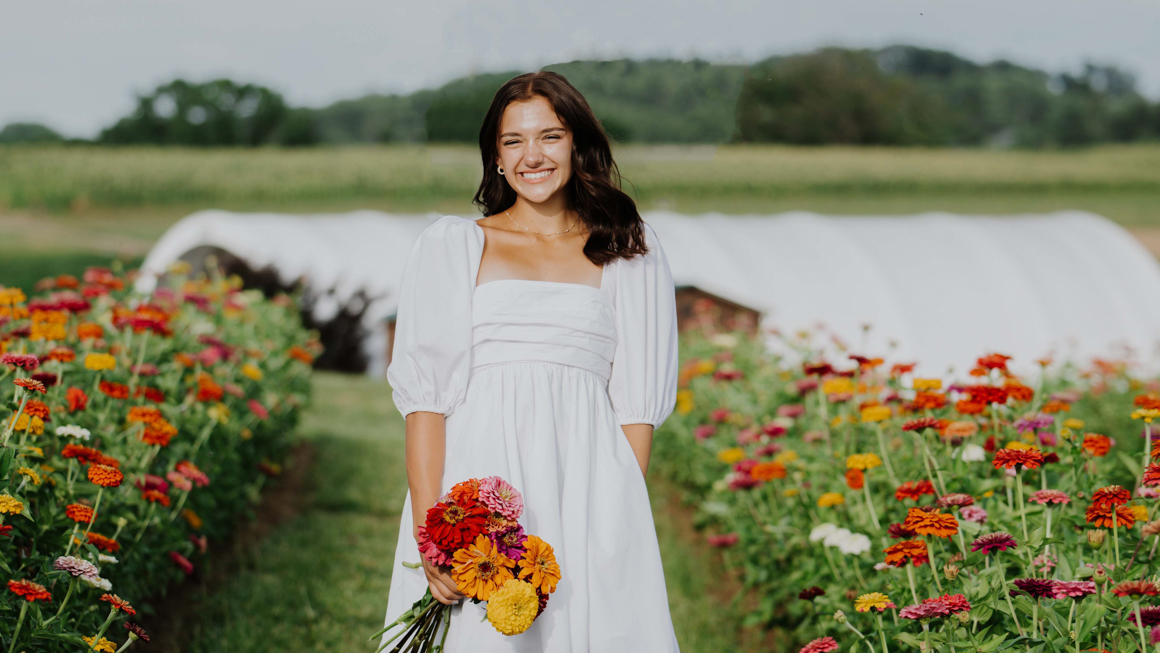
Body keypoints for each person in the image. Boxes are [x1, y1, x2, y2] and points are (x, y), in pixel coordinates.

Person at [382, 70, 680, 652]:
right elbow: (426, 401)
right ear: (495, 157)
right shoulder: (453, 245)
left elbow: (637, 405)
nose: (532, 156)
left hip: (589, 485)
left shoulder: (629, 249)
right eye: (513, 141)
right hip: (479, 487)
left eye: (550, 136)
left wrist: (611, 519)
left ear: (577, 145)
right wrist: (433, 534)